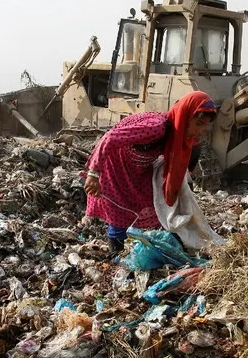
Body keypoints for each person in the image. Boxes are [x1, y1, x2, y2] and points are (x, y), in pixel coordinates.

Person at [84, 91, 217, 252]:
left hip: (140, 168)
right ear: (186, 115)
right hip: (116, 166)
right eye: (199, 124)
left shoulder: (181, 136)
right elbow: (110, 138)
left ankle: (174, 243)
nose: (200, 130)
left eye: (204, 126)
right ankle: (116, 253)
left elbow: (186, 160)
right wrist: (93, 174)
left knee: (154, 202)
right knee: (119, 210)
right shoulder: (157, 128)